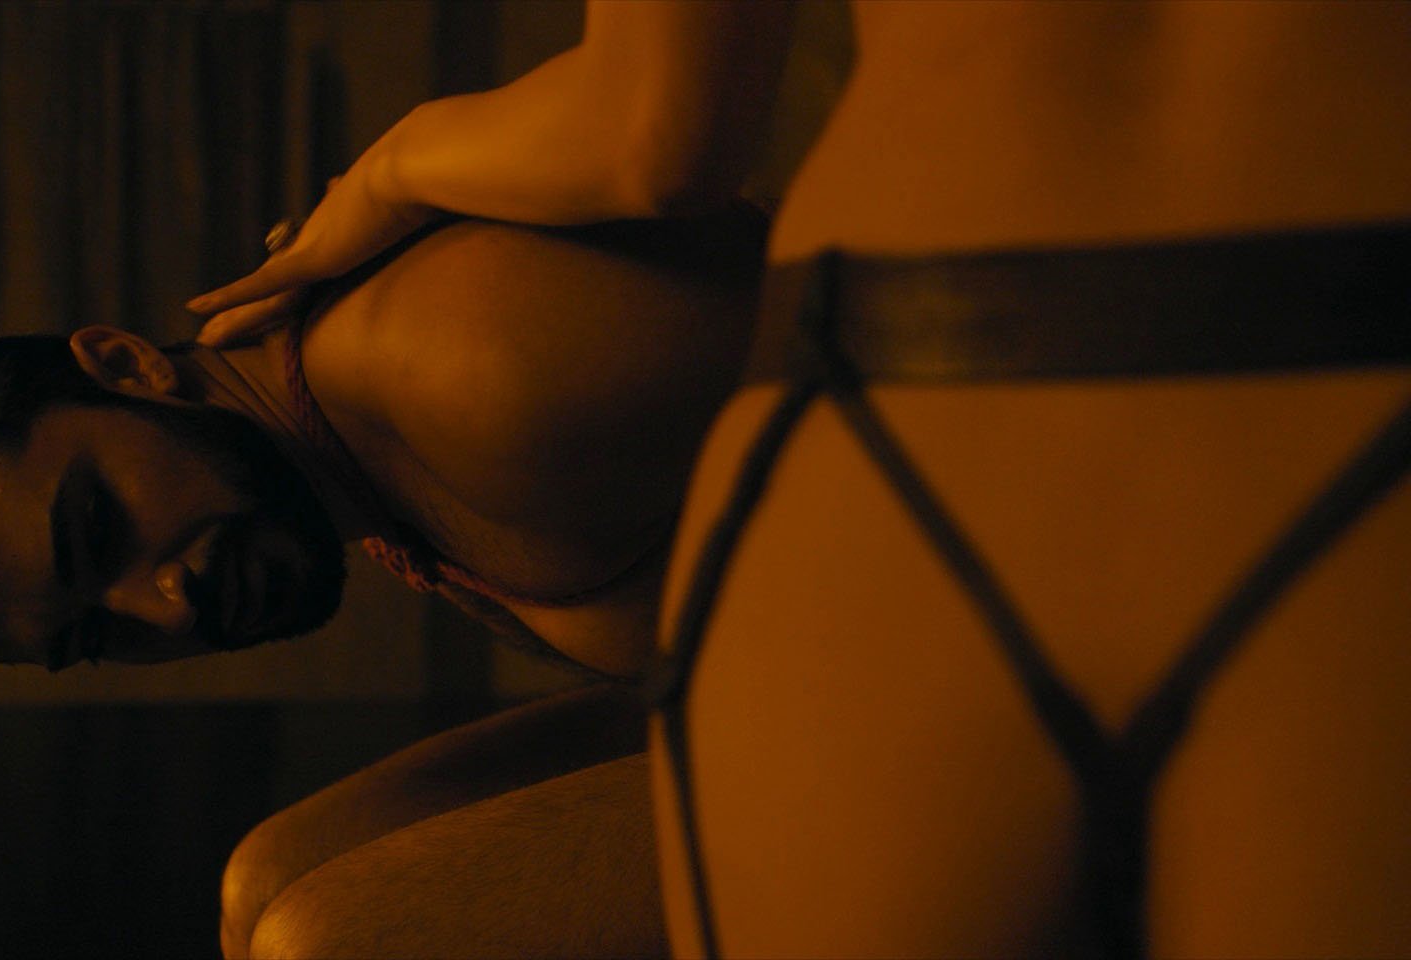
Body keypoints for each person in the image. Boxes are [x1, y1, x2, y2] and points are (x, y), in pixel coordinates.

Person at [188, 2, 1411, 957]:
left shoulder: (451, 360)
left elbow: (648, 125)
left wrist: (387, 171)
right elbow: (655, 149)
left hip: (920, 377)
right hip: (1348, 308)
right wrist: (382, 173)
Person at [0, 206, 767, 957]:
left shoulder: (474, 363)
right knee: (263, 880)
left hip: (845, 696)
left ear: (128, 367)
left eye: (98, 530)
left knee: (326, 941)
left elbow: (832, 360)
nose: (167, 609)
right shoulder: (361, 471)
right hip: (753, 692)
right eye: (97, 634)